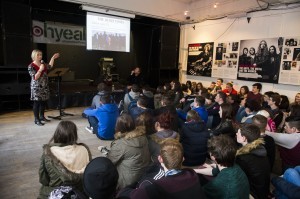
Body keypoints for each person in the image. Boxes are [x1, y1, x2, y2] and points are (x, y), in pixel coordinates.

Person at [117, 139, 206, 199]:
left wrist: (125, 190)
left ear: (160, 159)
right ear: (183, 159)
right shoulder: (193, 176)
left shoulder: (155, 186)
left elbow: (132, 196)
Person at [38, 121, 92, 198]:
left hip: (58, 193)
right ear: (75, 135)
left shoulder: (49, 152)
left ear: (57, 134)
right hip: (80, 192)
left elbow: (43, 179)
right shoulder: (84, 150)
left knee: (44, 190)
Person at [107, 113, 150, 189]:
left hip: (127, 183)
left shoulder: (120, 144)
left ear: (118, 127)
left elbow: (109, 162)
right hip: (143, 176)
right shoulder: (144, 137)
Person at [236, 124, 271, 199]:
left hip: (253, 193)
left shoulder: (243, 158)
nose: (236, 134)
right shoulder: (260, 148)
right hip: (263, 190)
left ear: (244, 138)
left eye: (238, 133)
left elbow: (238, 179)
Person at [28, 49, 60, 126]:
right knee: (37, 103)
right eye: (38, 55)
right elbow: (35, 77)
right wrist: (40, 69)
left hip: (44, 86)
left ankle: (42, 117)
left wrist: (53, 58)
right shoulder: (31, 66)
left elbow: (50, 66)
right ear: (34, 56)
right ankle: (36, 119)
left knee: (43, 102)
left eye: (41, 55)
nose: (40, 56)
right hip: (36, 87)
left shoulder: (42, 63)